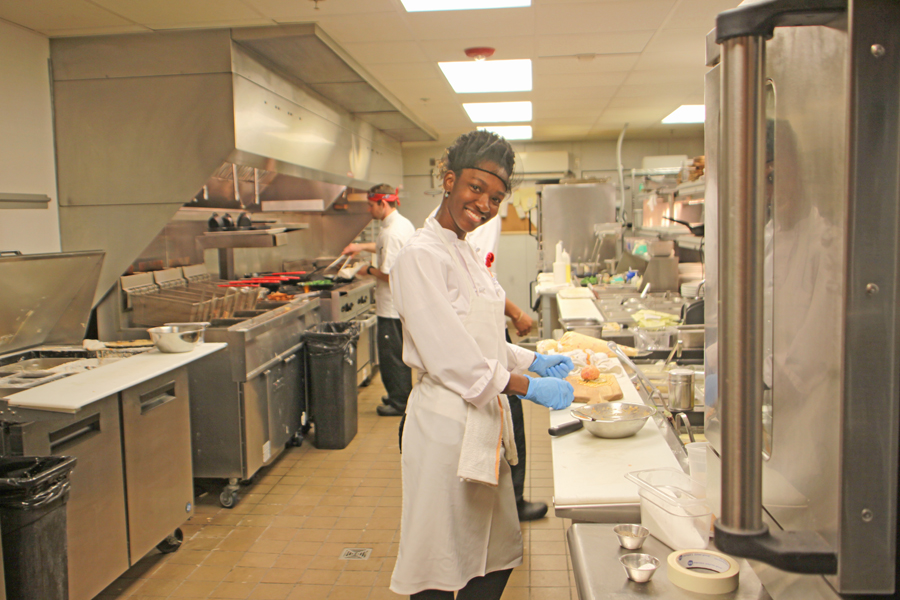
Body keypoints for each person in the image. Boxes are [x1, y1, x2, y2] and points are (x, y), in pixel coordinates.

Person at [389, 130, 575, 599]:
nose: (486, 204)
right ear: (449, 181)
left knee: (492, 552)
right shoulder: (420, 256)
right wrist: (525, 386)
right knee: (438, 559)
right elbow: (451, 355)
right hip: (445, 427)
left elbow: (482, 336)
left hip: (482, 420)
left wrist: (535, 359)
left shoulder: (466, 251)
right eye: (476, 188)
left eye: (496, 196)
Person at [466, 211, 548, 521]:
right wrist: (516, 313)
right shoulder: (483, 218)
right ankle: (512, 500)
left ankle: (505, 498)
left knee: (500, 415)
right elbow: (481, 281)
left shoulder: (468, 220)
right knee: (507, 412)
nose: (490, 202)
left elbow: (484, 279)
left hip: (483, 332)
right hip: (481, 334)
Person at [342, 184, 416, 417]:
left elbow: (389, 273)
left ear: (383, 203)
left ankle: (399, 401)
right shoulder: (400, 225)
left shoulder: (392, 232)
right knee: (395, 354)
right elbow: (383, 246)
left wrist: (366, 269)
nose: (368, 209)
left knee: (392, 356)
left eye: (370, 205)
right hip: (400, 304)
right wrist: (360, 247)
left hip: (392, 307)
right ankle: (399, 394)